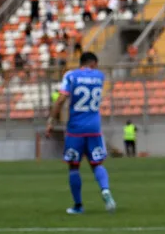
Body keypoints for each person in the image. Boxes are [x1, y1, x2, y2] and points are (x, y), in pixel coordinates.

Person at [47, 52, 117, 214]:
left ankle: (78, 205)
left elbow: (61, 99)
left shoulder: (71, 76)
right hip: (94, 128)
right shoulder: (99, 77)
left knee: (74, 166)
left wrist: (51, 120)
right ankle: (105, 190)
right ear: (93, 63)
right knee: (96, 164)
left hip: (75, 129)